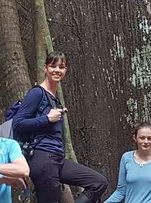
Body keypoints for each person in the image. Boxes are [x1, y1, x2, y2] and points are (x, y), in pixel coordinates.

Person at [12, 52, 108, 203]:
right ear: (45, 68)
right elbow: (17, 124)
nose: (57, 70)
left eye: (61, 67)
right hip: (41, 157)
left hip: (57, 159)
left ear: (65, 70)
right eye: (53, 66)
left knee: (98, 182)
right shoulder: (37, 93)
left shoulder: (54, 98)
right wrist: (47, 119)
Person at [104, 123, 151, 203]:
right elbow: (121, 191)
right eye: (142, 138)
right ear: (135, 138)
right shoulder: (126, 158)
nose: (146, 141)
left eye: (149, 138)